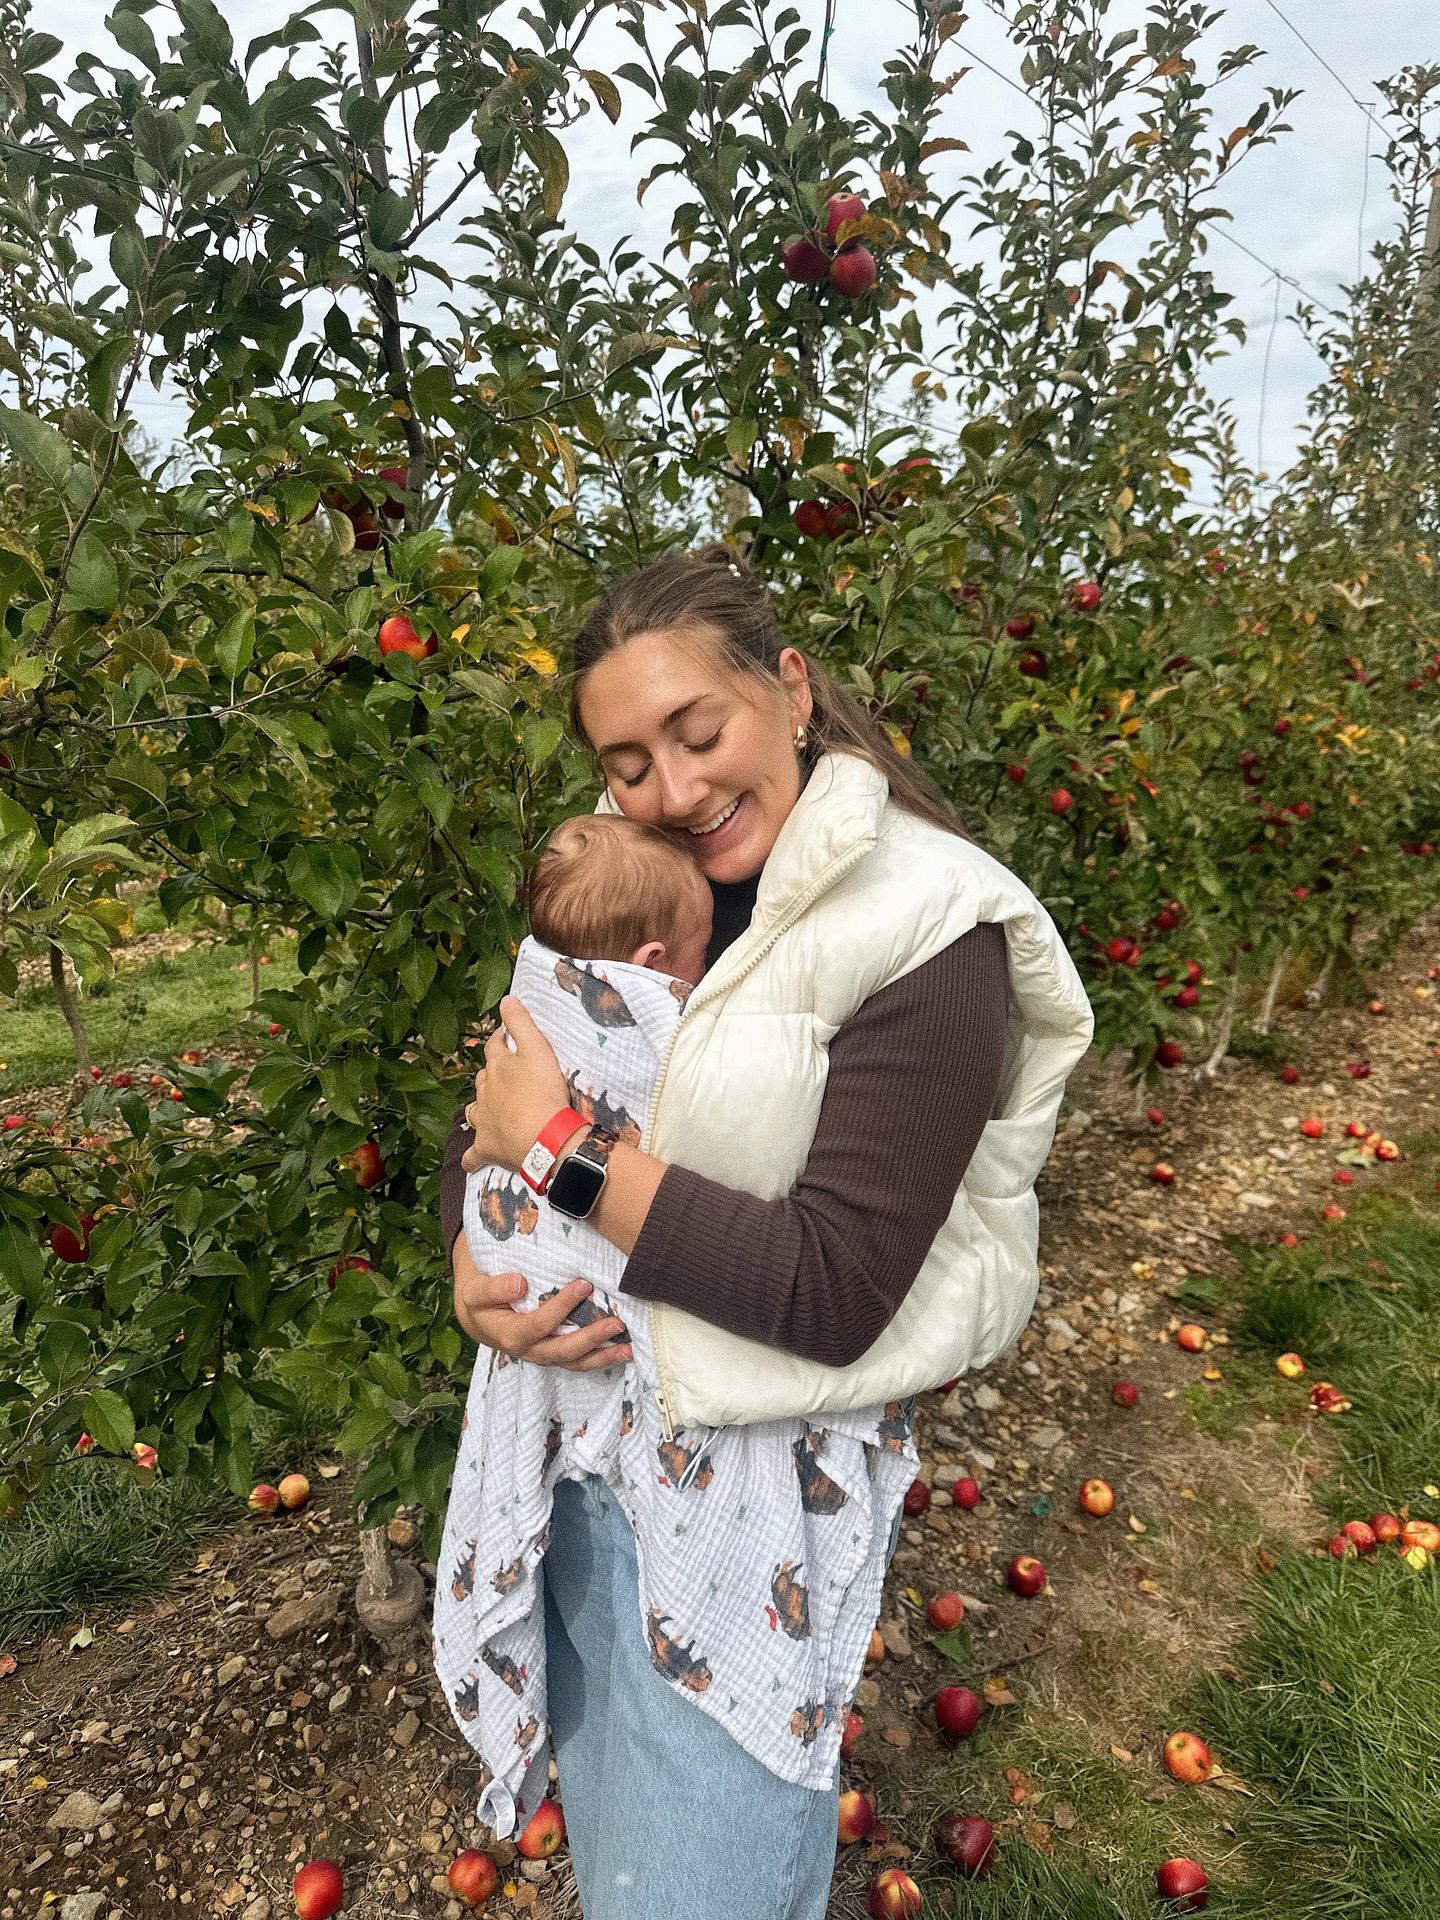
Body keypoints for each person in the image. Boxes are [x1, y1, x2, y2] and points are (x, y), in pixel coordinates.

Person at [439, 546, 1092, 1920]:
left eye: (699, 731)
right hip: (580, 1453)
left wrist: (558, 1155)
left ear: (790, 690)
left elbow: (834, 1286)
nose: (670, 793)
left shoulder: (929, 925)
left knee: (703, 1886)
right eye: (626, 762)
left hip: (754, 1506)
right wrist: (475, 1263)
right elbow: (512, 1087)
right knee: (622, 1866)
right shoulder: (632, 887)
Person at [433, 815, 714, 1831]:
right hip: (598, 1331)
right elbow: (485, 1122)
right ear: (649, 962)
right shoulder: (652, 1004)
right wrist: (471, 1265)